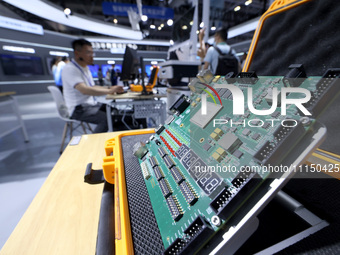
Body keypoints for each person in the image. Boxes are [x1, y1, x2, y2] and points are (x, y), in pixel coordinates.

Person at [61, 39, 124, 133]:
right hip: (78, 109)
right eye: (88, 53)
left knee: (115, 112)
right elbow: (84, 90)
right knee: (106, 119)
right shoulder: (70, 69)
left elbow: (92, 87)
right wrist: (109, 91)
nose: (92, 56)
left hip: (89, 104)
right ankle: (93, 146)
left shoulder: (85, 68)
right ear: (77, 53)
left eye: (92, 53)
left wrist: (110, 88)